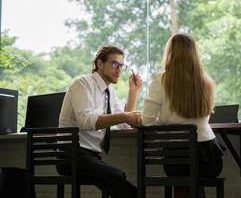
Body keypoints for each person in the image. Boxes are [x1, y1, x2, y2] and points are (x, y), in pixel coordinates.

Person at [142, 33, 224, 198]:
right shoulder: (206, 81)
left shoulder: (161, 80)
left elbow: (146, 121)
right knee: (192, 179)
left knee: (182, 174)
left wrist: (163, 122)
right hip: (209, 157)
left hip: (178, 158)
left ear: (170, 52)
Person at [57, 46, 142, 198]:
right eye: (115, 64)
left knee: (124, 185)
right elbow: (85, 121)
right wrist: (124, 116)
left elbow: (125, 124)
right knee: (117, 178)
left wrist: (133, 91)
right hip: (71, 156)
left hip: (90, 157)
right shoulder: (82, 84)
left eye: (122, 66)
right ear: (100, 64)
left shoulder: (110, 92)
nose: (119, 70)